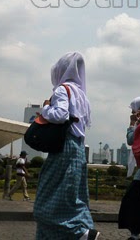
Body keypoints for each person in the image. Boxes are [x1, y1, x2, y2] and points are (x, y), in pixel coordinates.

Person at [33, 52, 99, 240]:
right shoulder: (82, 94)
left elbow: (60, 115)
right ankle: (83, 228)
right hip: (78, 149)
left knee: (45, 203)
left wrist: (45, 109)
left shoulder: (63, 89)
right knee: (74, 198)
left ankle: (80, 233)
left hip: (64, 148)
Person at [118, 96, 140, 240]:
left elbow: (131, 139)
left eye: (134, 110)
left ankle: (135, 233)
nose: (132, 113)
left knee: (132, 201)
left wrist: (132, 124)